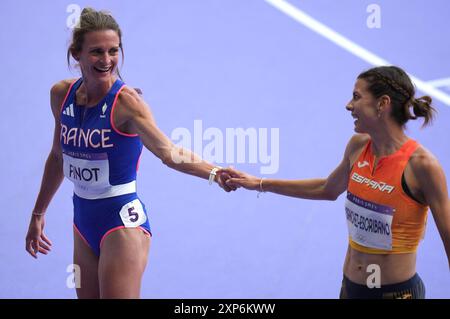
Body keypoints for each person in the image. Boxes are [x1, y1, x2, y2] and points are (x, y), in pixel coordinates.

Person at [25, 8, 234, 299]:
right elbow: (58, 156)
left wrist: (214, 172)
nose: (107, 60)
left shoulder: (127, 105)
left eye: (114, 51)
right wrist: (38, 213)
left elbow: (169, 152)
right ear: (77, 54)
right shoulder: (60, 95)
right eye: (97, 51)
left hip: (121, 223)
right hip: (82, 222)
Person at [220, 66, 450, 299]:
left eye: (357, 97)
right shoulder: (358, 146)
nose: (348, 105)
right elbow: (327, 188)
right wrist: (259, 182)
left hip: (395, 294)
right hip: (350, 289)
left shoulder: (422, 166)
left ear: (382, 104)